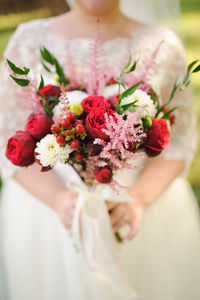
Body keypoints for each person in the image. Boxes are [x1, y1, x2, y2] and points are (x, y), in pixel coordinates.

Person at [0, 0, 200, 299]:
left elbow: (179, 142)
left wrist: (139, 202)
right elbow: (7, 134)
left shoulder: (162, 45)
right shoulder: (28, 41)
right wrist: (59, 200)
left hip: (139, 206)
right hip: (49, 209)